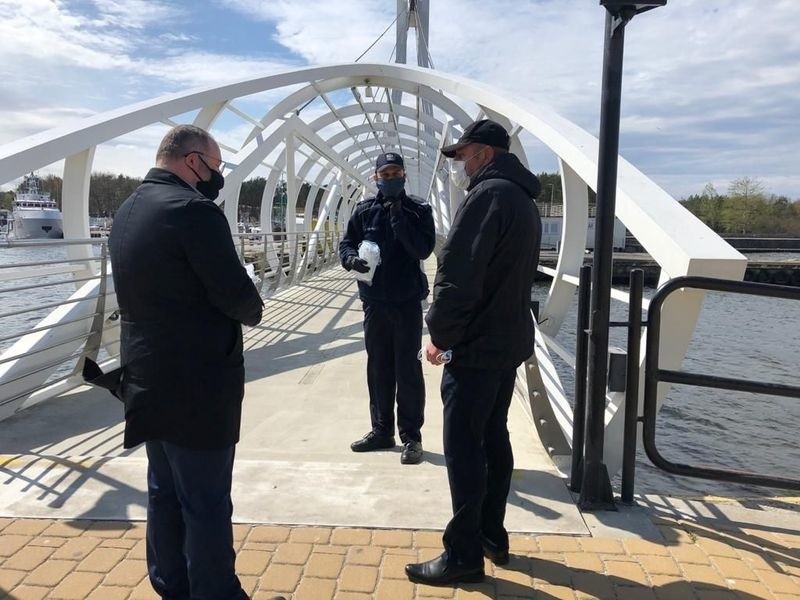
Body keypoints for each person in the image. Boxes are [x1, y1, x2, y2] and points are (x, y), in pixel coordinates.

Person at [109, 125, 276, 600]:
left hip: (145, 381)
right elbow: (237, 297)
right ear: (193, 161)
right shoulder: (194, 211)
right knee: (204, 502)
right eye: (216, 167)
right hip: (197, 388)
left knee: (164, 494)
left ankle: (171, 586)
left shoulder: (127, 210)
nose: (217, 177)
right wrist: (253, 302)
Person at [405, 120, 542, 585]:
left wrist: (440, 336)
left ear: (483, 153)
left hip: (478, 345)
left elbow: (459, 274)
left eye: (463, 155)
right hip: (507, 341)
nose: (460, 165)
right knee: (493, 439)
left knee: (464, 447)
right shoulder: (521, 198)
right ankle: (490, 534)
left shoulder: (486, 197)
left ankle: (462, 556)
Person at [339, 151, 436, 465]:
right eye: (385, 174)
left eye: (396, 173)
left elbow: (422, 248)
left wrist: (398, 216)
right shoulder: (364, 211)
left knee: (408, 370)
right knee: (379, 368)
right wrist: (349, 259)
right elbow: (346, 242)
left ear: (404, 176)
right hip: (374, 302)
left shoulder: (419, 210)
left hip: (406, 303)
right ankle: (381, 431)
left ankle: (412, 437)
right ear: (375, 177)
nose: (391, 179)